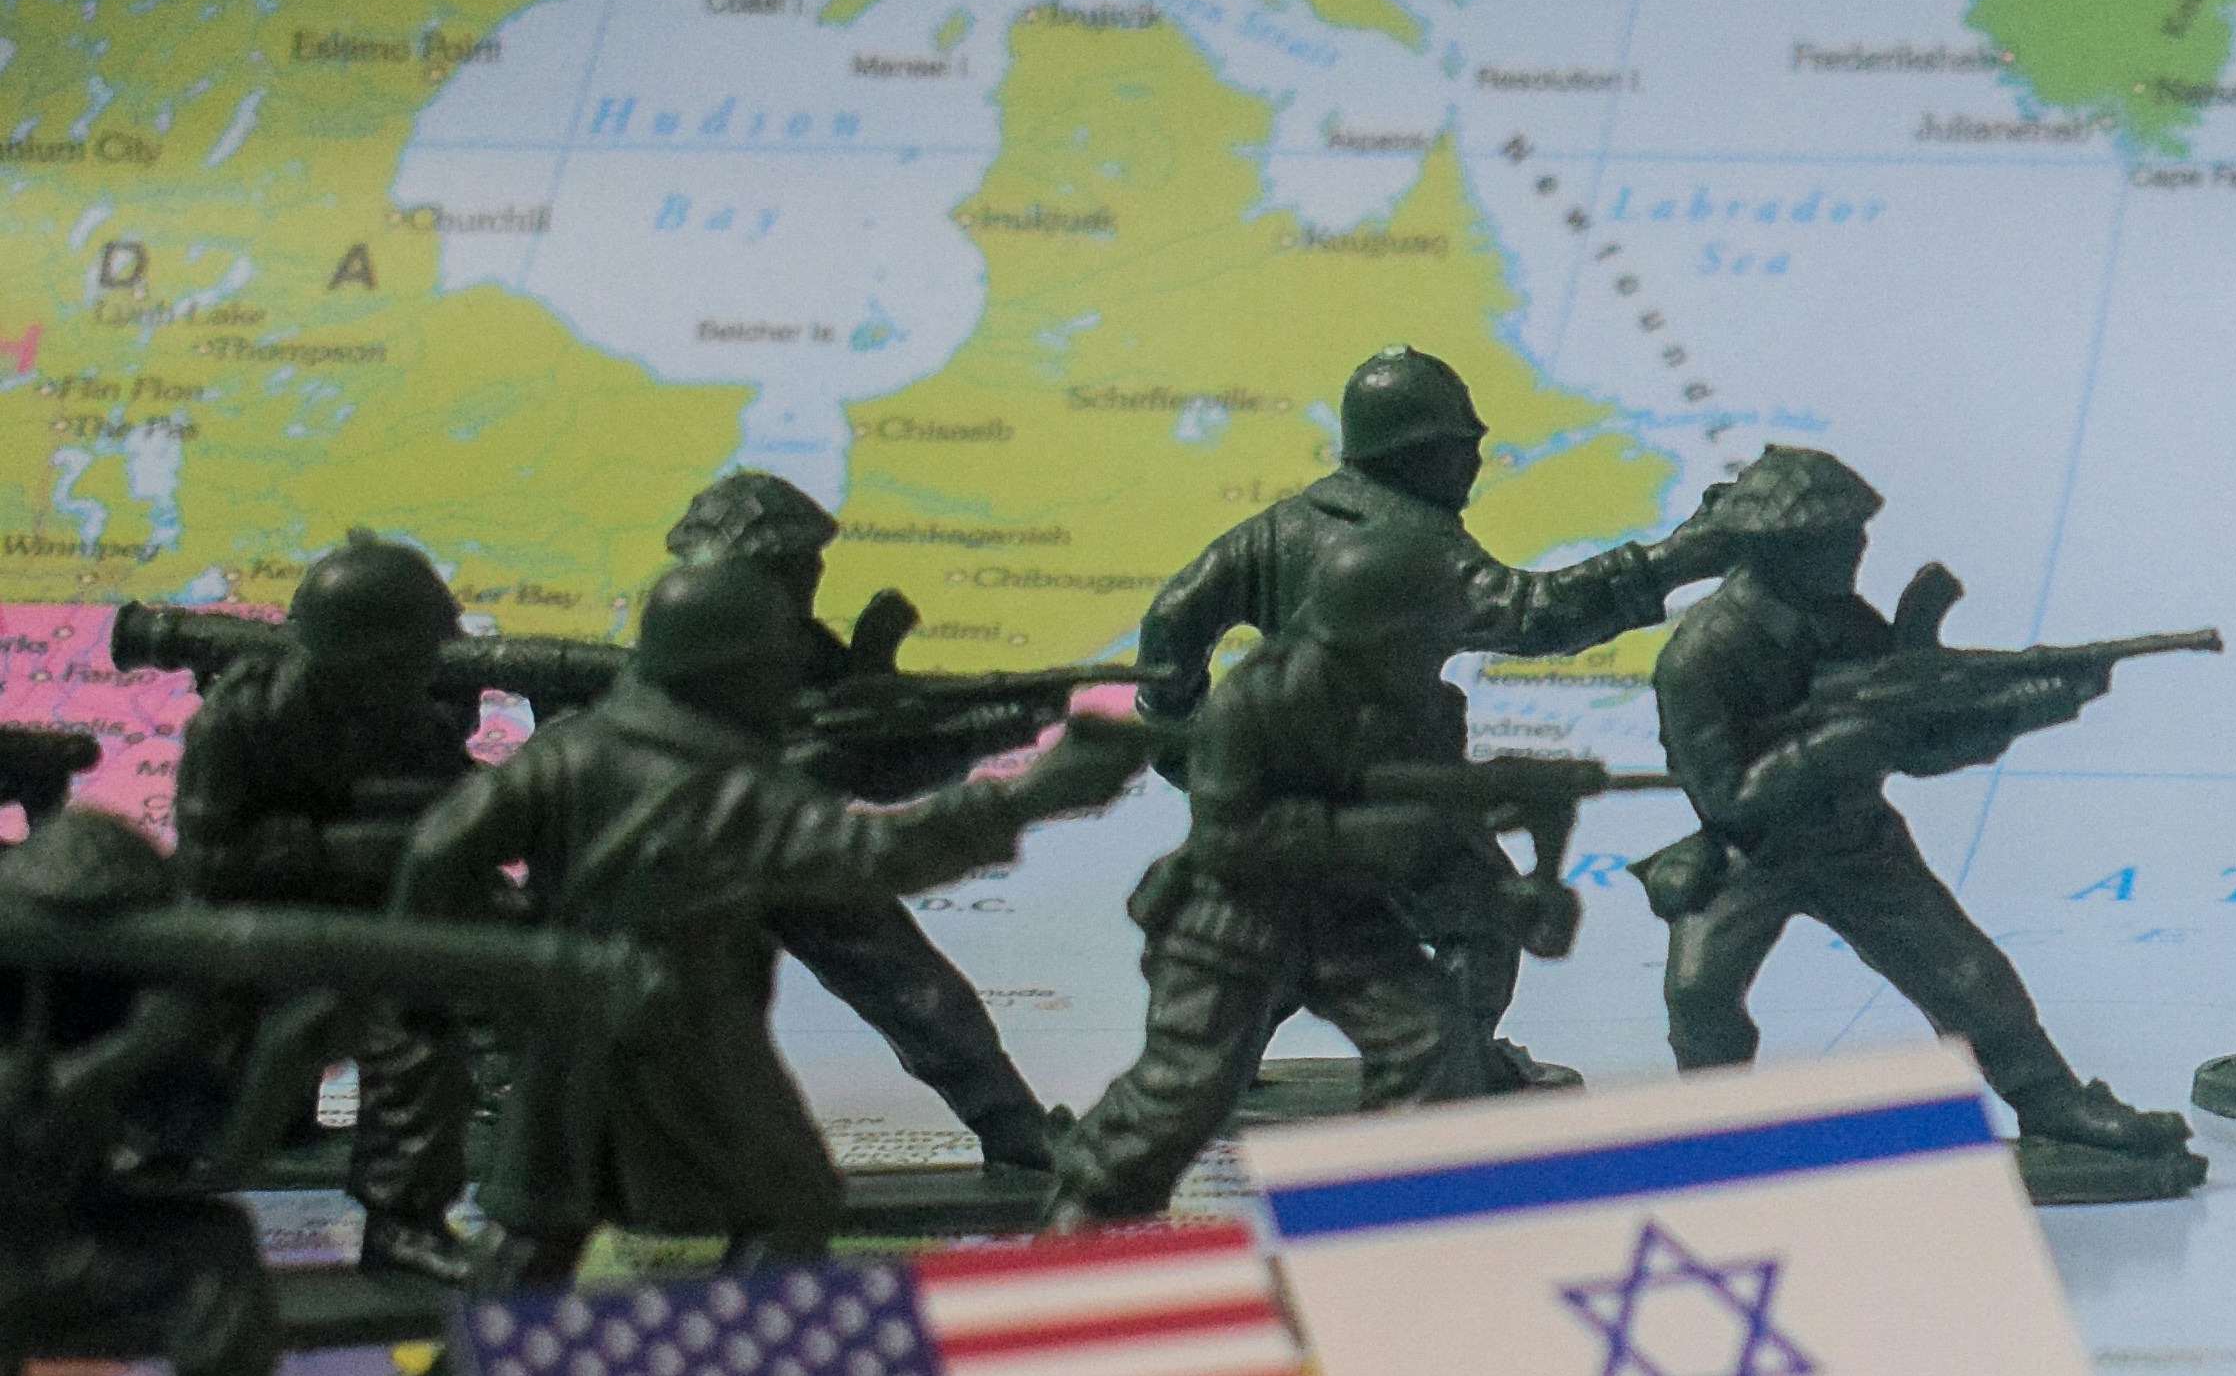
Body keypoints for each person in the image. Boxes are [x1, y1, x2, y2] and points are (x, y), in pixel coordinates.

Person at [395, 561, 1148, 1281]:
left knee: (539, 1223)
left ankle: (474, 1360)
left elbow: (437, 852)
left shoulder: (568, 752)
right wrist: (1027, 797)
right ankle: (742, 1342)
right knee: (791, 1205)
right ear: (729, 671)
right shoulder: (734, 790)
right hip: (685, 1035)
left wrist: (459, 995)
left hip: (564, 1033)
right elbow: (869, 856)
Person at [1128, 346, 1739, 1087]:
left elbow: (1173, 618)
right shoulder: (1414, 542)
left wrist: (1187, 743)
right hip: (1396, 788)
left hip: (1293, 795)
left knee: (1293, 921)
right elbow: (1532, 614)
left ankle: (1221, 1065)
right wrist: (1675, 559)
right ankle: (1459, 1065)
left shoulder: (1280, 526)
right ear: (1414, 453)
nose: (1474, 466)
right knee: (1482, 923)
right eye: (1461, 448)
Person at [1649, 448, 2198, 1171]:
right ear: (1780, 548)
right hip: (1748, 853)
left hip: (1856, 843)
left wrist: (2027, 710)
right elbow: (1726, 796)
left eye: (1857, 532)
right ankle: (1717, 1132)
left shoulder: (1848, 624)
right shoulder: (1700, 653)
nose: (1858, 548)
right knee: (1699, 992)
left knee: (1967, 975)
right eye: (1838, 537)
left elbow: (1919, 746)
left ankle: (2052, 1102)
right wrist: (1839, 743)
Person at [1043, 530, 1508, 1224]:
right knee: (1183, 1092)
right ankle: (1081, 1221)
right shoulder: (1254, 700)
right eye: (1423, 635)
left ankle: (1394, 1219)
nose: (1434, 650)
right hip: (1233, 918)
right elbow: (1230, 838)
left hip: (1346, 917)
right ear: (1371, 633)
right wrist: (1373, 834)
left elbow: (1434, 823)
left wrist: (1497, 881)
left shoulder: (1428, 708)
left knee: (1432, 1042)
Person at [660, 468, 1067, 1170]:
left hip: (796, 857)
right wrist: (824, 760)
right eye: (794, 562)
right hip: (686, 870)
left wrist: (990, 731)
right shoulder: (671, 653)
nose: (811, 575)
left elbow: (881, 771)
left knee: (921, 993)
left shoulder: (804, 650)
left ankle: (1014, 1131)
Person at [0, 813, 377, 1376]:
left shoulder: (110, 1004)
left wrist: (284, 1054)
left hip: (61, 1242)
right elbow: (22, 1130)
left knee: (216, 1247)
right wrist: (133, 1047)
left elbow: (217, 1156)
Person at [164, 533, 486, 1280]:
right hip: (248, 945)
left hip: (369, 938)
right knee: (195, 1092)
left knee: (419, 1045)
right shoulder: (241, 721)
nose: (427, 670)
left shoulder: (417, 723)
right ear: (357, 655)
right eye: (410, 656)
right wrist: (336, 850)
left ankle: (403, 1224)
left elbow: (463, 813)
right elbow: (208, 862)